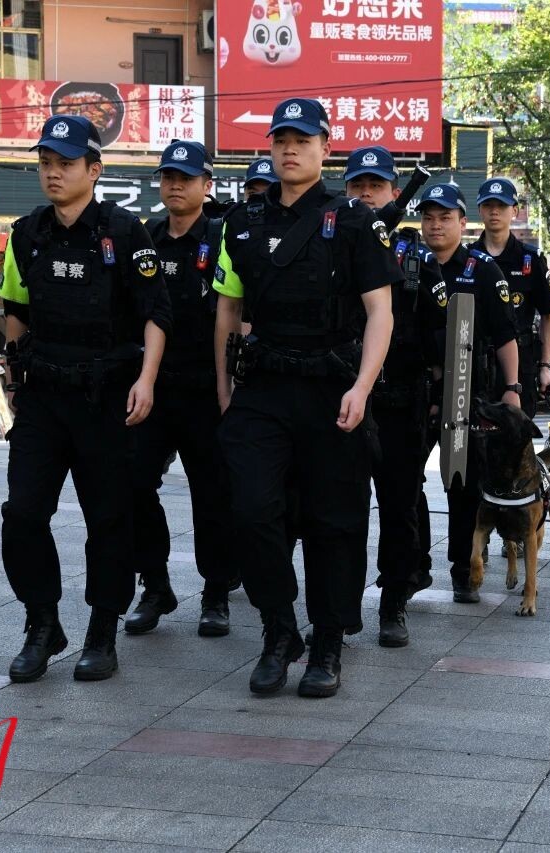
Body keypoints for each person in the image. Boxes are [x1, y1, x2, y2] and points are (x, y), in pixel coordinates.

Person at [213, 98, 399, 698]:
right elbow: (228, 311)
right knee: (251, 510)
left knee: (333, 522)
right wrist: (224, 389)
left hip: (331, 386)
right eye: (280, 139)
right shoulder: (240, 223)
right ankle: (278, 629)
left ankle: (326, 643)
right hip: (263, 386)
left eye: (302, 139)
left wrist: (362, 387)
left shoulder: (355, 221)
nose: (289, 149)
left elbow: (381, 313)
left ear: (325, 148)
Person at [0, 115, 172, 683]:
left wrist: (147, 380)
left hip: (107, 397)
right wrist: (14, 379)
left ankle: (102, 631)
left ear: (94, 170)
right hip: (44, 397)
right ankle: (42, 624)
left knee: (109, 519)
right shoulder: (26, 234)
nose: (53, 173)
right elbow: (16, 311)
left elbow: (156, 313)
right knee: (23, 513)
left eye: (66, 163)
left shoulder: (125, 233)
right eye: (46, 163)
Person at [125, 140, 238, 639]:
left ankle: (216, 592)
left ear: (206, 185)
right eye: (168, 177)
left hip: (205, 388)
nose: (175, 185)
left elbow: (236, 311)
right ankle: (155, 585)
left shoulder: (221, 236)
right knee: (133, 484)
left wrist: (228, 386)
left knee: (212, 493)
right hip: (151, 387)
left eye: (186, 178)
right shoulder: (144, 238)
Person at [343, 145, 434, 647]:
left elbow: (444, 335)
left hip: (400, 403)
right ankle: (341, 606)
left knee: (399, 508)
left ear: (394, 193)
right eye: (357, 186)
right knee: (342, 510)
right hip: (344, 399)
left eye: (375, 186)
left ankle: (394, 601)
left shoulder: (418, 259)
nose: (366, 195)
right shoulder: (330, 244)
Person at [417, 183, 521, 604]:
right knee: (405, 479)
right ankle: (414, 566)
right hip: (417, 391)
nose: (435, 225)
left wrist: (512, 389)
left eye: (445, 217)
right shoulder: (411, 265)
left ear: (462, 223)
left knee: (462, 485)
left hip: (468, 394)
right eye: (428, 217)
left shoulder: (482, 270)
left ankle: (464, 569)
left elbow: (506, 336)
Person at [468, 177, 550, 417]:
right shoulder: (467, 258)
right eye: (488, 205)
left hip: (521, 364)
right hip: (474, 361)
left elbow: (549, 315)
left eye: (502, 205)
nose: (494, 211)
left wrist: (545, 366)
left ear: (515, 211)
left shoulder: (529, 259)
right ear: (479, 210)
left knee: (517, 432)